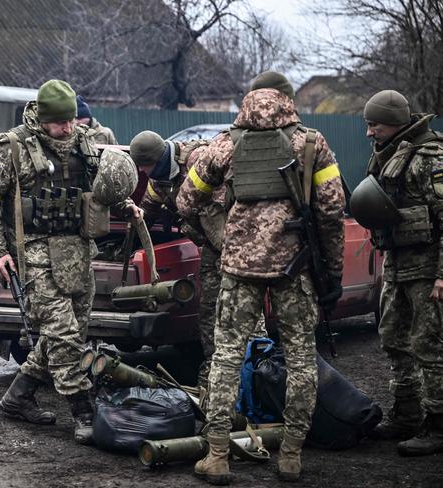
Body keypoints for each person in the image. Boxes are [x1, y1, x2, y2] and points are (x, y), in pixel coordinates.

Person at [176, 71, 345, 484]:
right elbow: (331, 212)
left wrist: (221, 222)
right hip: (296, 267)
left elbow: (186, 199)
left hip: (237, 269)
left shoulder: (225, 144)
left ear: (247, 101)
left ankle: (217, 455)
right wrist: (333, 270)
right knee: (303, 360)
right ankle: (290, 455)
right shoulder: (312, 143)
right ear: (289, 102)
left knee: (226, 356)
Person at [0, 79, 141, 444]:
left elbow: (100, 187)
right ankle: (84, 412)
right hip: (33, 253)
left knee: (71, 333)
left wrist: (126, 205)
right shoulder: (12, 147)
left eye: (72, 121)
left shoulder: (82, 142)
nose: (68, 128)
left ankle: (18, 396)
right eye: (61, 122)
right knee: (63, 335)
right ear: (42, 118)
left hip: (77, 252)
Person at [129, 130, 269, 390]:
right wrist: (135, 227)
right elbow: (147, 209)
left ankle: (258, 372)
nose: (142, 172)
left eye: (144, 165)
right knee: (209, 313)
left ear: (157, 158)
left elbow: (224, 206)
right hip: (211, 249)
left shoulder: (198, 160)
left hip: (237, 247)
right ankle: (214, 374)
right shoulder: (159, 179)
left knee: (245, 311)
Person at [353, 90, 443, 457]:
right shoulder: (388, 155)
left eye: (374, 124)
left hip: (427, 270)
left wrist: (441, 275)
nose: (369, 132)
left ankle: (437, 424)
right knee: (392, 337)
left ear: (394, 121)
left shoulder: (430, 158)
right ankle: (406, 414)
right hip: (397, 264)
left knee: (429, 345)